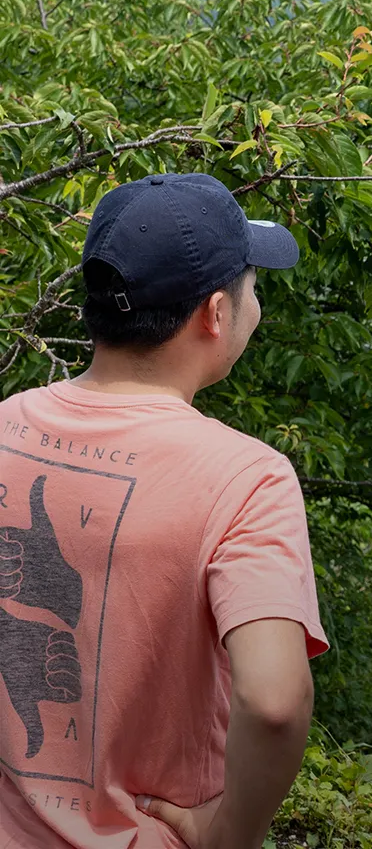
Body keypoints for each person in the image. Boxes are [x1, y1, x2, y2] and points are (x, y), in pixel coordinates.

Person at [0, 173, 328, 849]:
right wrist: (226, 835)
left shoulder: (6, 424)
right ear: (215, 313)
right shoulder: (246, 480)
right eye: (251, 285)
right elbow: (274, 702)